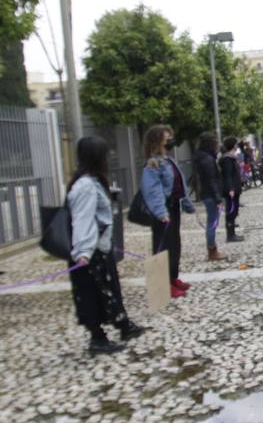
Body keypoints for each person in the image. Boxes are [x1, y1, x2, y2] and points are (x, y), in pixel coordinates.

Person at [67, 136, 145, 354]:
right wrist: (82, 252)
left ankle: (123, 325)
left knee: (110, 290)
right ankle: (97, 339)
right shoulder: (85, 187)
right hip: (90, 252)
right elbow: (82, 219)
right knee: (94, 294)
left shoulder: (92, 182)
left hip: (99, 248)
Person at [140, 124, 191, 299]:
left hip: (174, 206)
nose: (170, 141)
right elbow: (152, 189)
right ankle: (161, 286)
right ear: (156, 142)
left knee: (174, 244)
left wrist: (186, 202)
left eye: (170, 137)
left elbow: (179, 182)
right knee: (162, 246)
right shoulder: (153, 163)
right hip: (163, 209)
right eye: (166, 138)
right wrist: (160, 212)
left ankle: (172, 278)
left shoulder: (168, 160)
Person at [191, 132, 229, 261]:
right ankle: (212, 251)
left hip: (208, 194)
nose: (218, 144)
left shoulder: (204, 157)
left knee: (211, 223)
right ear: (211, 143)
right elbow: (211, 179)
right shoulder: (207, 159)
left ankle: (212, 249)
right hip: (211, 195)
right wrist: (218, 198)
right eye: (216, 141)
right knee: (212, 224)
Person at [219, 137, 245, 242]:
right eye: (236, 144)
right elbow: (228, 175)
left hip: (235, 188)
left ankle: (232, 233)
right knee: (231, 211)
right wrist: (231, 188)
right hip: (231, 189)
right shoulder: (227, 159)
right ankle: (230, 235)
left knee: (234, 211)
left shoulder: (232, 158)